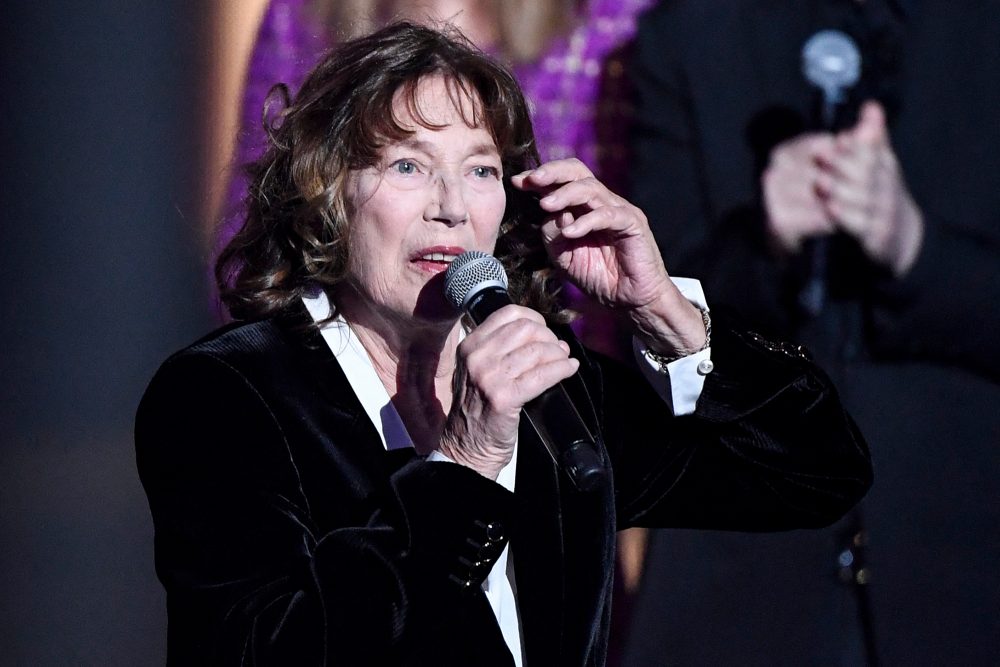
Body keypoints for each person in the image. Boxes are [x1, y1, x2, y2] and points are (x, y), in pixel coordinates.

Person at [136, 22, 871, 666]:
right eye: (407, 165)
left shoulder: (551, 391)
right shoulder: (226, 395)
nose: (451, 206)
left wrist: (668, 312)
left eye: (481, 170)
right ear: (327, 192)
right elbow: (268, 649)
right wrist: (464, 462)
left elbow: (816, 473)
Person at [625, 1, 1000, 665]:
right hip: (741, 580)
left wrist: (915, 247)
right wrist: (765, 240)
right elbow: (654, 321)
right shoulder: (692, 30)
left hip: (962, 561)